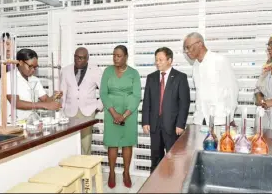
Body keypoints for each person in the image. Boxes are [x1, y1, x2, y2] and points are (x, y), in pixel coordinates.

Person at [142, 47, 190, 173]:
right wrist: (145, 121)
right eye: (156, 60)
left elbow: (184, 103)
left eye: (160, 60)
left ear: (170, 60)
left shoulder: (180, 77)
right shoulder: (151, 77)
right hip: (154, 126)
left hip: (173, 126)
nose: (157, 62)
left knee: (172, 159)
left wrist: (180, 124)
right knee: (155, 158)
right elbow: (147, 101)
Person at [100, 45, 141, 189]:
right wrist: (114, 113)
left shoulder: (134, 73)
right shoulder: (107, 71)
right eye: (114, 55)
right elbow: (103, 93)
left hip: (129, 113)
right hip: (111, 111)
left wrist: (124, 115)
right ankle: (111, 173)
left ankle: (126, 173)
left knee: (127, 143)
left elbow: (137, 96)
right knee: (112, 143)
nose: (116, 58)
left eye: (119, 56)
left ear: (126, 57)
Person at [183, 32, 239, 137]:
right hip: (201, 120)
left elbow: (233, 90)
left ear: (200, 44)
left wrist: (228, 119)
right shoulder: (195, 66)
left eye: (188, 47)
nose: (186, 51)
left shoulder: (219, 60)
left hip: (220, 120)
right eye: (185, 49)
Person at [0, 48, 62, 125]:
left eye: (35, 67)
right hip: (9, 124)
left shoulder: (35, 80)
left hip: (28, 124)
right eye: (30, 66)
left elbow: (45, 100)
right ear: (20, 62)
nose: (33, 70)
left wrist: (54, 97)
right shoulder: (8, 77)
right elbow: (16, 103)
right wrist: (45, 105)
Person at [60, 47, 103, 155]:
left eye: (83, 58)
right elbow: (62, 92)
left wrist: (98, 106)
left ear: (87, 58)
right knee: (70, 144)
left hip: (88, 112)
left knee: (85, 144)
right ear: (74, 56)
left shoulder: (95, 70)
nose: (79, 60)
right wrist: (61, 111)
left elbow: (104, 90)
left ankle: (85, 169)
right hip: (69, 112)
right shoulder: (65, 71)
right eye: (77, 57)